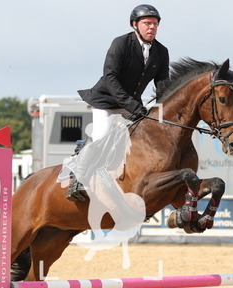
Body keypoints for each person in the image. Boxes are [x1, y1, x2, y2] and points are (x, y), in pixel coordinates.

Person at [66, 4, 170, 201]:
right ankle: (78, 178)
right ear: (135, 24)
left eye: (155, 24)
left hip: (131, 104)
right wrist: (132, 105)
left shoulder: (161, 51)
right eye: (147, 23)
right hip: (106, 101)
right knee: (101, 136)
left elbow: (163, 84)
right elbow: (110, 77)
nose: (152, 27)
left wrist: (163, 111)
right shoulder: (121, 43)